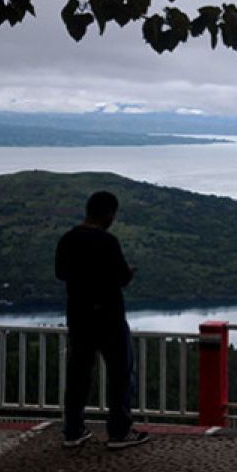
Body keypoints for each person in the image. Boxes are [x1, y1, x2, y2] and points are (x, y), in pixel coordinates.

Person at [55, 191, 150, 449]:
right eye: (113, 214)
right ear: (107, 214)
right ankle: (119, 433)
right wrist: (127, 273)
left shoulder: (68, 239)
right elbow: (121, 279)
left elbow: (61, 273)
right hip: (109, 318)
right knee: (120, 375)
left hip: (79, 318)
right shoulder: (108, 242)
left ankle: (73, 431)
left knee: (78, 376)